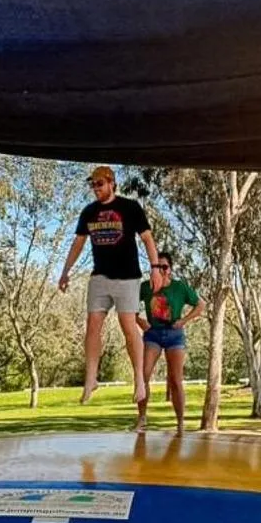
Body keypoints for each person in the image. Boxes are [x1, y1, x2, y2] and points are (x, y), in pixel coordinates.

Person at [57, 165, 158, 409]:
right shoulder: (89, 212)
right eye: (92, 185)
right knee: (92, 325)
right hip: (100, 277)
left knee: (128, 327)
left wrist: (155, 267)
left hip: (127, 277)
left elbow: (147, 238)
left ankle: (139, 380)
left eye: (99, 184)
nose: (95, 189)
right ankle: (91, 378)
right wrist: (65, 271)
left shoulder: (130, 208)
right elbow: (78, 243)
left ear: (111, 183)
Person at [137, 253, 202, 433]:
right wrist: (139, 321)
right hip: (153, 335)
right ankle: (142, 418)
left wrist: (184, 320)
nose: (161, 271)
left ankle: (180, 423)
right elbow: (129, 308)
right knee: (144, 375)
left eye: (164, 267)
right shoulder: (146, 287)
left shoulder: (179, 287)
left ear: (170, 269)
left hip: (175, 334)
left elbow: (200, 305)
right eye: (157, 267)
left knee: (176, 380)